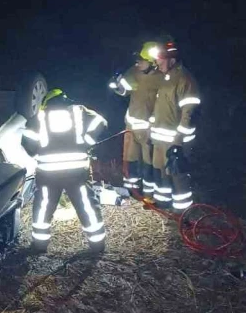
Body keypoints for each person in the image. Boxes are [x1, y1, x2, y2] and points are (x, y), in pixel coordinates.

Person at [21, 89, 108, 253]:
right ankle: (97, 244)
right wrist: (87, 141)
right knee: (86, 204)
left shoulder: (38, 117)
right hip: (76, 171)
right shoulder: (79, 111)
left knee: (44, 206)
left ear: (46, 102)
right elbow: (101, 121)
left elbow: (28, 143)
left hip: (48, 173)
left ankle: (39, 245)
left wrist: (37, 151)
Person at [148, 40, 201, 211]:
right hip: (159, 139)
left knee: (178, 175)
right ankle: (164, 203)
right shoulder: (165, 77)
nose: (156, 63)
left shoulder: (185, 79)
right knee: (161, 172)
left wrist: (179, 141)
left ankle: (183, 211)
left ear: (171, 59)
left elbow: (189, 113)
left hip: (175, 140)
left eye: (160, 60)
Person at [108, 42, 164, 198]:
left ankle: (149, 195)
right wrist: (117, 84)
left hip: (148, 129)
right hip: (131, 127)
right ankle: (131, 192)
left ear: (153, 63)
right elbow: (124, 91)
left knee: (148, 163)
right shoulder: (133, 72)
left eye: (141, 60)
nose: (137, 63)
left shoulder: (162, 78)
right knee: (130, 160)